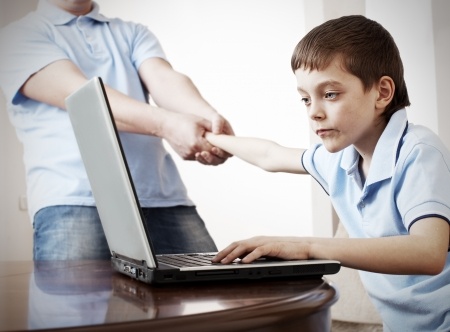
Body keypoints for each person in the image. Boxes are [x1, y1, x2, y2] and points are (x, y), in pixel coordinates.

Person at [204, 15, 450, 332]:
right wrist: (212, 139)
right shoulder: (339, 159)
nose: (314, 112)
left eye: (330, 94)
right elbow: (270, 155)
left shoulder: (418, 151)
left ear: (382, 92)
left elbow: (428, 252)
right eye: (305, 99)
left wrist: (306, 247)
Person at [0, 0, 234, 260]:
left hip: (161, 198)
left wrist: (207, 119)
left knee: (205, 292)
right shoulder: (16, 36)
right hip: (75, 201)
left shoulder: (132, 32)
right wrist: (169, 125)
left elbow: (164, 79)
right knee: (73, 301)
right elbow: (81, 97)